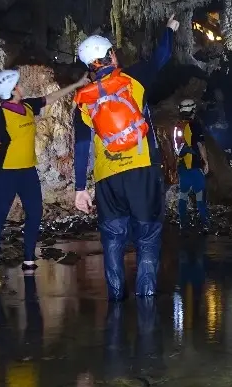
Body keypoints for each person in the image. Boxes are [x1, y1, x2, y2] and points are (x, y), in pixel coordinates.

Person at [72, 16, 178, 301]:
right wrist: (169, 29)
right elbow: (162, 55)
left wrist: (80, 189)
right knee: (147, 239)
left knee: (113, 240)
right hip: (142, 171)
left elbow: (82, 146)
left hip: (107, 180)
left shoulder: (83, 100)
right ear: (110, 56)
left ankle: (116, 305)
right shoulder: (134, 79)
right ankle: (145, 304)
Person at [0, 69, 89, 273]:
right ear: (12, 90)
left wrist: (77, 84)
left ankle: (29, 258)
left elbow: (50, 98)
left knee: (35, 213)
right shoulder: (0, 115)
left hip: (27, 171)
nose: (22, 86)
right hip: (6, 172)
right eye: (18, 84)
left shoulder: (28, 106)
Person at [172, 99, 211, 231]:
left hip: (182, 166)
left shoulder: (178, 125)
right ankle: (205, 224)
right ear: (192, 110)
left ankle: (183, 223)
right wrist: (205, 161)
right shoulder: (195, 125)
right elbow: (201, 144)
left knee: (183, 195)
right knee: (200, 195)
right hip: (194, 166)